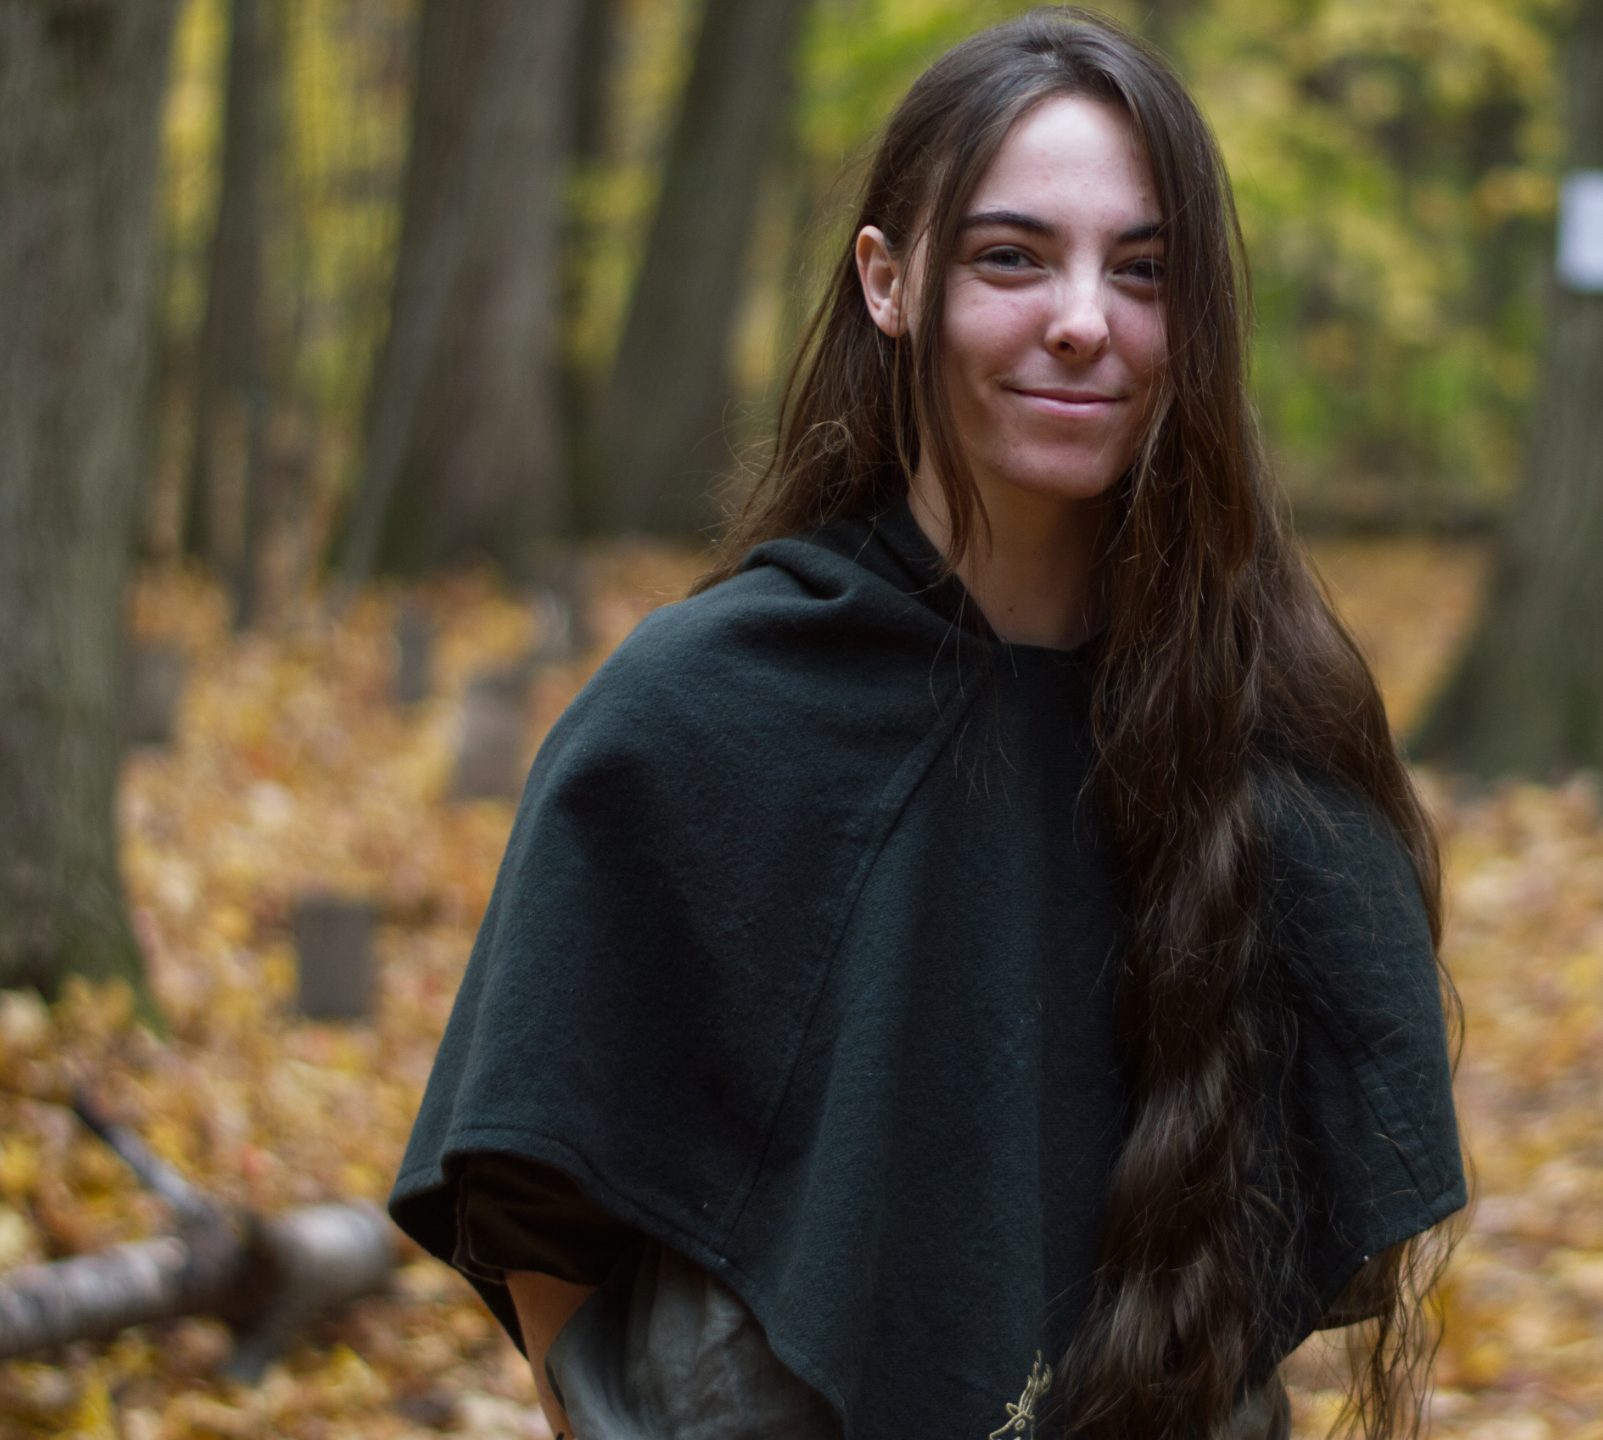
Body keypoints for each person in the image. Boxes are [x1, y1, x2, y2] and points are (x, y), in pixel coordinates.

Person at [390, 11, 1464, 1439]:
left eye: (1141, 271)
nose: (1084, 319)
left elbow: (1310, 1197)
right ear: (889, 283)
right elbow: (537, 1180)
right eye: (1012, 256)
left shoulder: (1270, 728)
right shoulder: (700, 707)